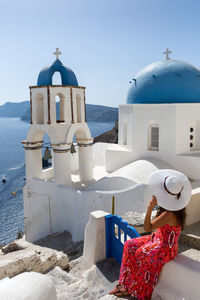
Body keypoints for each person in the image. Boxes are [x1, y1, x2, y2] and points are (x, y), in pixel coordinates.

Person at [109, 169, 192, 299]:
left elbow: (147, 227)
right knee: (129, 245)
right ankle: (125, 285)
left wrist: (149, 208)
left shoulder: (168, 213)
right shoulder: (176, 209)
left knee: (140, 254)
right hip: (158, 238)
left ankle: (142, 292)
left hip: (165, 248)